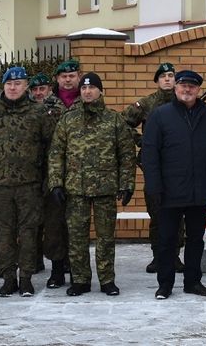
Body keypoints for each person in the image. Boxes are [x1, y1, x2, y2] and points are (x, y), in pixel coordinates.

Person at [48, 72, 136, 297]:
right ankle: (80, 280)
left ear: (100, 91)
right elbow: (56, 154)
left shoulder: (114, 120)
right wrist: (56, 183)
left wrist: (126, 185)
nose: (87, 92)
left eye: (92, 88)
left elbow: (126, 155)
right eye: (84, 88)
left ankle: (107, 280)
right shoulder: (68, 120)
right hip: (75, 189)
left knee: (106, 238)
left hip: (105, 189)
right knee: (77, 237)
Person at [142, 70, 206, 300]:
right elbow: (150, 153)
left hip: (199, 190)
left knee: (196, 240)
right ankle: (165, 284)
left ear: (198, 90)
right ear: (176, 88)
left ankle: (193, 281)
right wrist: (154, 186)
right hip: (169, 191)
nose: (187, 90)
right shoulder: (160, 115)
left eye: (192, 86)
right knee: (167, 240)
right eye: (183, 85)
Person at [0, 67, 54, 297]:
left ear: (26, 86)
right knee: (3, 233)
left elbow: (51, 148)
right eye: (9, 83)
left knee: (29, 232)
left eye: (18, 83)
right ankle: (9, 278)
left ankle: (26, 277)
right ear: (3, 85)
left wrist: (49, 180)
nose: (13, 87)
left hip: (30, 184)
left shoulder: (38, 113)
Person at [122, 62, 185, 274]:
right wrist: (142, 141)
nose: (167, 79)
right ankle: (158, 256)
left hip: (178, 165)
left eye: (170, 75)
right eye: (163, 76)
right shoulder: (147, 103)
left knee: (178, 213)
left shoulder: (184, 101)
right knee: (157, 212)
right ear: (157, 81)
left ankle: (175, 256)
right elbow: (121, 124)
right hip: (154, 165)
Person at [28, 73, 69, 289]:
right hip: (30, 176)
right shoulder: (26, 110)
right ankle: (32, 264)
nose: (38, 93)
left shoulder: (59, 110)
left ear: (49, 90)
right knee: (30, 224)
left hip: (53, 174)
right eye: (34, 90)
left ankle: (57, 269)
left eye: (41, 89)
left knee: (54, 225)